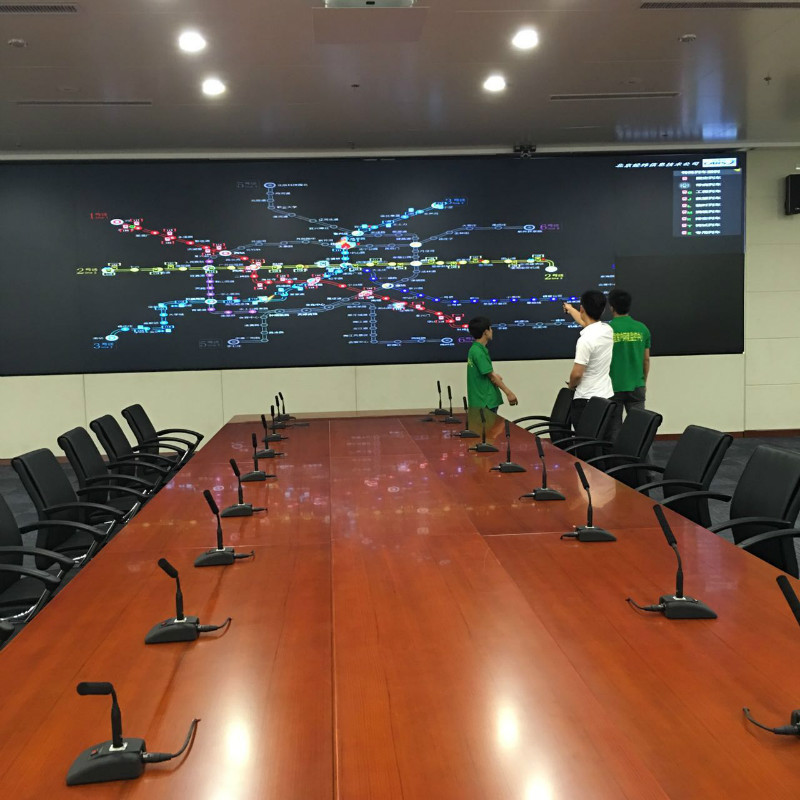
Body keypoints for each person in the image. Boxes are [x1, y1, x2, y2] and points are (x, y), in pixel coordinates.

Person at [562, 290, 613, 431]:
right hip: (606, 397)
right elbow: (586, 323)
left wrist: (571, 386)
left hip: (586, 401)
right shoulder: (607, 330)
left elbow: (577, 374)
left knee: (584, 441)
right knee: (601, 439)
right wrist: (570, 309)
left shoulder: (585, 340)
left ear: (582, 309)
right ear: (603, 310)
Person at [605, 289, 650, 441]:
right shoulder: (642, 329)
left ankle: (616, 456)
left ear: (611, 307)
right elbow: (646, 360)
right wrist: (643, 382)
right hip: (637, 385)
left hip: (613, 386)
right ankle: (642, 456)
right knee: (639, 429)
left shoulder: (606, 330)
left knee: (613, 430)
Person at [466, 316, 518, 411]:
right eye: (490, 328)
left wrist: (495, 376)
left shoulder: (474, 349)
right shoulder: (478, 352)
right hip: (485, 401)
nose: (492, 331)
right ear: (485, 332)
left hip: (480, 400)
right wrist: (509, 393)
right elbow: (492, 376)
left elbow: (485, 373)